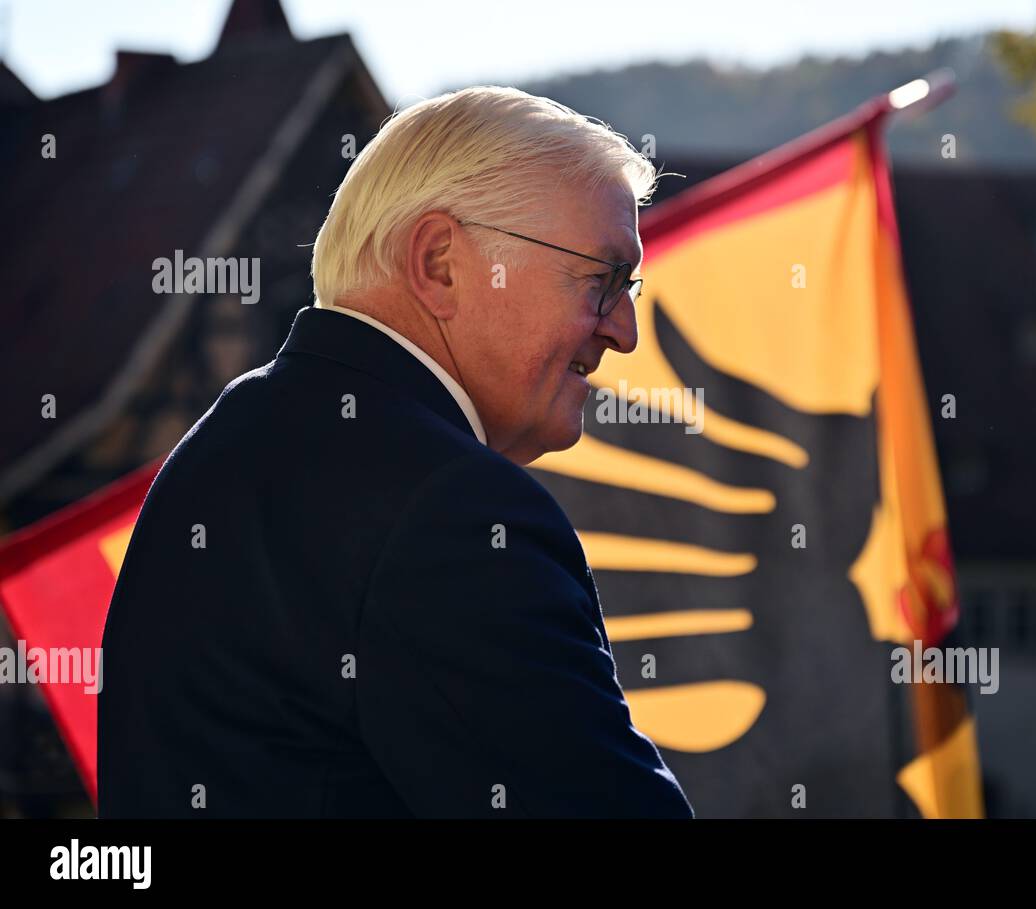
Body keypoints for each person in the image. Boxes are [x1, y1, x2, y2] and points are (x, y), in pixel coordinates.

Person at [97, 86, 693, 818]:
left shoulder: (224, 443)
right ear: (439, 262)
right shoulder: (453, 512)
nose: (624, 331)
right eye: (601, 282)